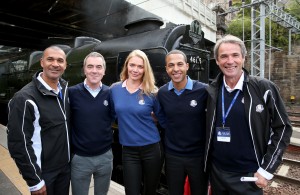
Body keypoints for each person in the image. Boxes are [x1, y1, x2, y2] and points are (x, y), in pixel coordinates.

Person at [204, 34, 293, 195]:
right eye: (223, 56)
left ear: (244, 58)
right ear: (217, 61)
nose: (229, 61)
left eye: (235, 55)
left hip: (249, 177)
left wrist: (266, 170)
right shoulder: (212, 91)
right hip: (218, 174)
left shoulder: (263, 88)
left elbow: (283, 129)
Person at [7, 46, 70, 195]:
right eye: (50, 59)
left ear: (65, 65)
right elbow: (18, 143)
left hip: (64, 169)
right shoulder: (24, 98)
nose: (55, 64)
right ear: (42, 62)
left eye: (60, 60)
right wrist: (34, 180)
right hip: (44, 173)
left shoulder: (65, 89)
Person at [110, 49, 164, 195]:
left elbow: (162, 119)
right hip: (129, 151)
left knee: (150, 191)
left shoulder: (152, 91)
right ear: (127, 66)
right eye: (132, 65)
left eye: (140, 67)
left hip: (152, 148)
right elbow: (108, 114)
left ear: (145, 69)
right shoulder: (115, 89)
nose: (135, 70)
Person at [157, 50, 208, 195]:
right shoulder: (162, 93)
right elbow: (163, 120)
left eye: (180, 64)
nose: (175, 69)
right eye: (171, 65)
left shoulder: (203, 90)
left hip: (198, 157)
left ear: (187, 66)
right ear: (167, 69)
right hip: (173, 156)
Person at [68, 52, 114, 195]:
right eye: (90, 66)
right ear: (84, 69)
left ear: (104, 71)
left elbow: (112, 117)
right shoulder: (71, 93)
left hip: (105, 157)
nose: (94, 71)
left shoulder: (110, 93)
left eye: (99, 67)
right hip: (80, 159)